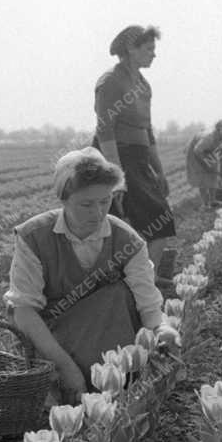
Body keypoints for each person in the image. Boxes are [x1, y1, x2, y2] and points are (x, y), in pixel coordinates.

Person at [4, 148, 165, 403]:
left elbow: (149, 305)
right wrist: (66, 368)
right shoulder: (34, 236)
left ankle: (112, 386)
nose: (99, 213)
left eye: (106, 201)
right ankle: (81, 388)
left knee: (118, 294)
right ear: (63, 199)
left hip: (111, 334)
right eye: (87, 204)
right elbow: (24, 311)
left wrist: (163, 332)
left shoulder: (128, 240)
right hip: (53, 338)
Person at [94, 24, 176, 274]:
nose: (154, 54)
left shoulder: (143, 85)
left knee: (157, 223)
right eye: (149, 48)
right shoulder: (110, 82)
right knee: (142, 223)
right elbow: (105, 130)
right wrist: (117, 177)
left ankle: (142, 282)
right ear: (131, 49)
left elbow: (147, 132)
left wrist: (159, 171)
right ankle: (140, 284)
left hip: (138, 158)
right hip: (115, 157)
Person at [185, 120, 222, 207]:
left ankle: (212, 201)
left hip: (209, 152)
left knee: (213, 175)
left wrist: (221, 169)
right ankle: (205, 204)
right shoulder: (209, 137)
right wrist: (205, 165)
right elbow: (197, 151)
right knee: (202, 177)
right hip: (196, 153)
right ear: (219, 129)